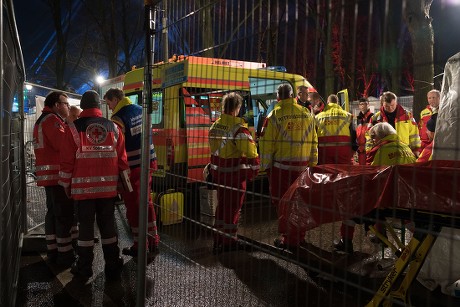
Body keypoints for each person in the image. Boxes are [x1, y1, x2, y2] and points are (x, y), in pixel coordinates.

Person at [59, 90, 127, 280]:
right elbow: (122, 160)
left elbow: (67, 161)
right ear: (99, 106)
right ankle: (113, 266)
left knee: (86, 231)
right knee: (108, 229)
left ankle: (84, 268)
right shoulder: (114, 128)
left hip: (83, 193)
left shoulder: (73, 128)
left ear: (83, 106)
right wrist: (121, 187)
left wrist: (66, 184)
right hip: (107, 192)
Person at [334, 122, 417, 253]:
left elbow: (370, 177)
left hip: (388, 200)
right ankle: (417, 237)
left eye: (374, 138)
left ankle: (346, 241)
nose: (372, 141)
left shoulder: (381, 151)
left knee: (350, 205)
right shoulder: (405, 147)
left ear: (381, 136)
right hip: (408, 198)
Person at [259, 83, 318, 249]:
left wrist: (265, 167)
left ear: (278, 98)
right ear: (293, 96)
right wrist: (313, 163)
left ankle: (288, 239)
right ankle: (300, 236)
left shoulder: (274, 115)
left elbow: (266, 144)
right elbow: (314, 141)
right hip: (304, 168)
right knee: (301, 202)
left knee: (284, 203)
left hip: (282, 169)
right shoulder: (307, 114)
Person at [103, 88, 160, 258]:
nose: (110, 108)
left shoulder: (118, 118)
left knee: (133, 206)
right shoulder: (141, 110)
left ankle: (140, 245)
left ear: (115, 99)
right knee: (147, 202)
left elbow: (118, 148)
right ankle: (153, 239)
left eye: (109, 103)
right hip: (148, 162)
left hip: (132, 168)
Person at [208, 92, 260, 254]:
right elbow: (252, 153)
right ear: (237, 108)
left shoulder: (215, 125)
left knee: (222, 207)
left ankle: (219, 239)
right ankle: (229, 242)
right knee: (232, 209)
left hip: (219, 175)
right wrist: (254, 171)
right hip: (234, 176)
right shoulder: (239, 129)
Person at [33, 91, 76, 267]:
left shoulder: (44, 120)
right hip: (56, 177)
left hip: (50, 177)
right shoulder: (52, 120)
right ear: (57, 105)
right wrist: (72, 124)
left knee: (53, 215)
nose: (68, 106)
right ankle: (65, 256)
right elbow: (63, 144)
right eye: (66, 103)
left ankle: (54, 250)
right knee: (63, 216)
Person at [367, 91, 420, 157]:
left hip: (404, 152)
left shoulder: (407, 116)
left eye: (392, 105)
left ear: (396, 103)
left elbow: (414, 133)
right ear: (382, 104)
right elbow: (369, 135)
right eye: (387, 106)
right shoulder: (375, 118)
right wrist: (369, 151)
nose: (390, 108)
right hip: (383, 152)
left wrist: (416, 149)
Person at [315, 94, 357, 165]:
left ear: (328, 103)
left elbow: (314, 136)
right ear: (338, 103)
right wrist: (353, 150)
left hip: (324, 153)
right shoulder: (348, 116)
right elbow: (353, 135)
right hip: (343, 152)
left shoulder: (317, 117)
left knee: (326, 173)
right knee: (343, 173)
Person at [355, 97, 374, 165]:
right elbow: (357, 132)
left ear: (368, 104)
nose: (362, 106)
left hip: (369, 147)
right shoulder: (358, 118)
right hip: (360, 148)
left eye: (364, 104)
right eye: (360, 104)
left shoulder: (372, 117)